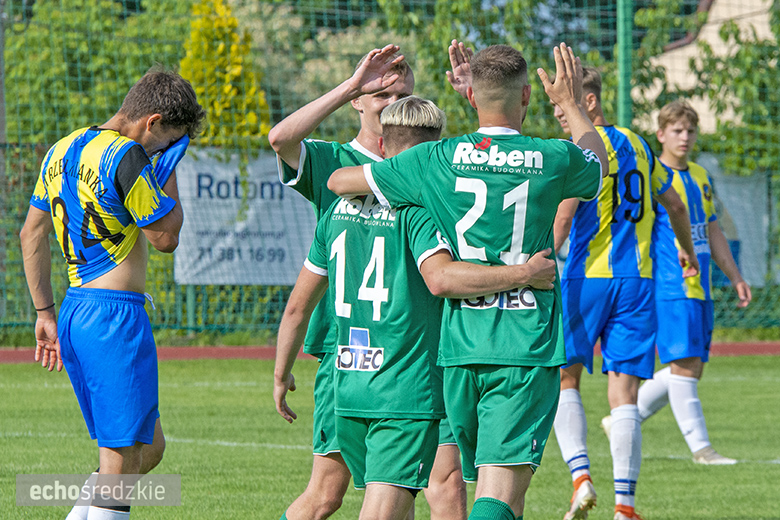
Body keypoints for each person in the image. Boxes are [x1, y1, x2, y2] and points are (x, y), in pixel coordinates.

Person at [329, 42, 609, 520]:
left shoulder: (433, 159)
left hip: (458, 351)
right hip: (522, 346)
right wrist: (570, 105)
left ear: (473, 97)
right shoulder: (552, 157)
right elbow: (597, 165)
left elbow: (339, 182)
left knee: (494, 492)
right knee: (497, 498)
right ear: (526, 98)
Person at [275, 94, 559, 520]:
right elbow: (442, 278)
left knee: (409, 492)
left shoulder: (336, 208)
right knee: (378, 507)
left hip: (348, 382)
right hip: (405, 385)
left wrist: (281, 372)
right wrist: (523, 274)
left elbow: (298, 307)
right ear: (431, 152)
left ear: (385, 146)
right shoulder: (422, 212)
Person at [269, 45, 467, 520]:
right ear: (358, 100)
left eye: (402, 93)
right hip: (356, 352)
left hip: (424, 349)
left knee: (447, 484)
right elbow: (281, 138)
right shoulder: (336, 162)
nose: (391, 101)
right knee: (331, 494)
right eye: (380, 93)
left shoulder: (427, 167)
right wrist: (351, 85)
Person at [19, 68, 205, 520]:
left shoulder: (61, 149)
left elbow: (31, 235)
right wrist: (171, 170)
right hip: (112, 319)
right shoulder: (128, 156)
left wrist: (44, 313)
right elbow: (164, 237)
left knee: (149, 447)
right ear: (152, 122)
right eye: (168, 139)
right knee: (120, 462)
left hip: (74, 308)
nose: (164, 149)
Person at [550, 68, 699, 520]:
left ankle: (580, 477)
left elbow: (563, 213)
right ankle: (625, 506)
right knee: (625, 394)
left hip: (586, 278)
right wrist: (687, 252)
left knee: (564, 377)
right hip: (638, 283)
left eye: (564, 104)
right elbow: (674, 204)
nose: (558, 113)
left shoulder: (581, 146)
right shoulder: (639, 144)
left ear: (589, 102)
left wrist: (535, 261)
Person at [606, 100, 751, 465]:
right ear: (661, 135)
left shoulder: (701, 176)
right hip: (671, 284)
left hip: (700, 286)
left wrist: (734, 276)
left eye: (690, 131)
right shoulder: (655, 178)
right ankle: (702, 450)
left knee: (690, 367)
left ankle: (624, 416)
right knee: (684, 365)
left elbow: (712, 229)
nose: (685, 137)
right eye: (677, 131)